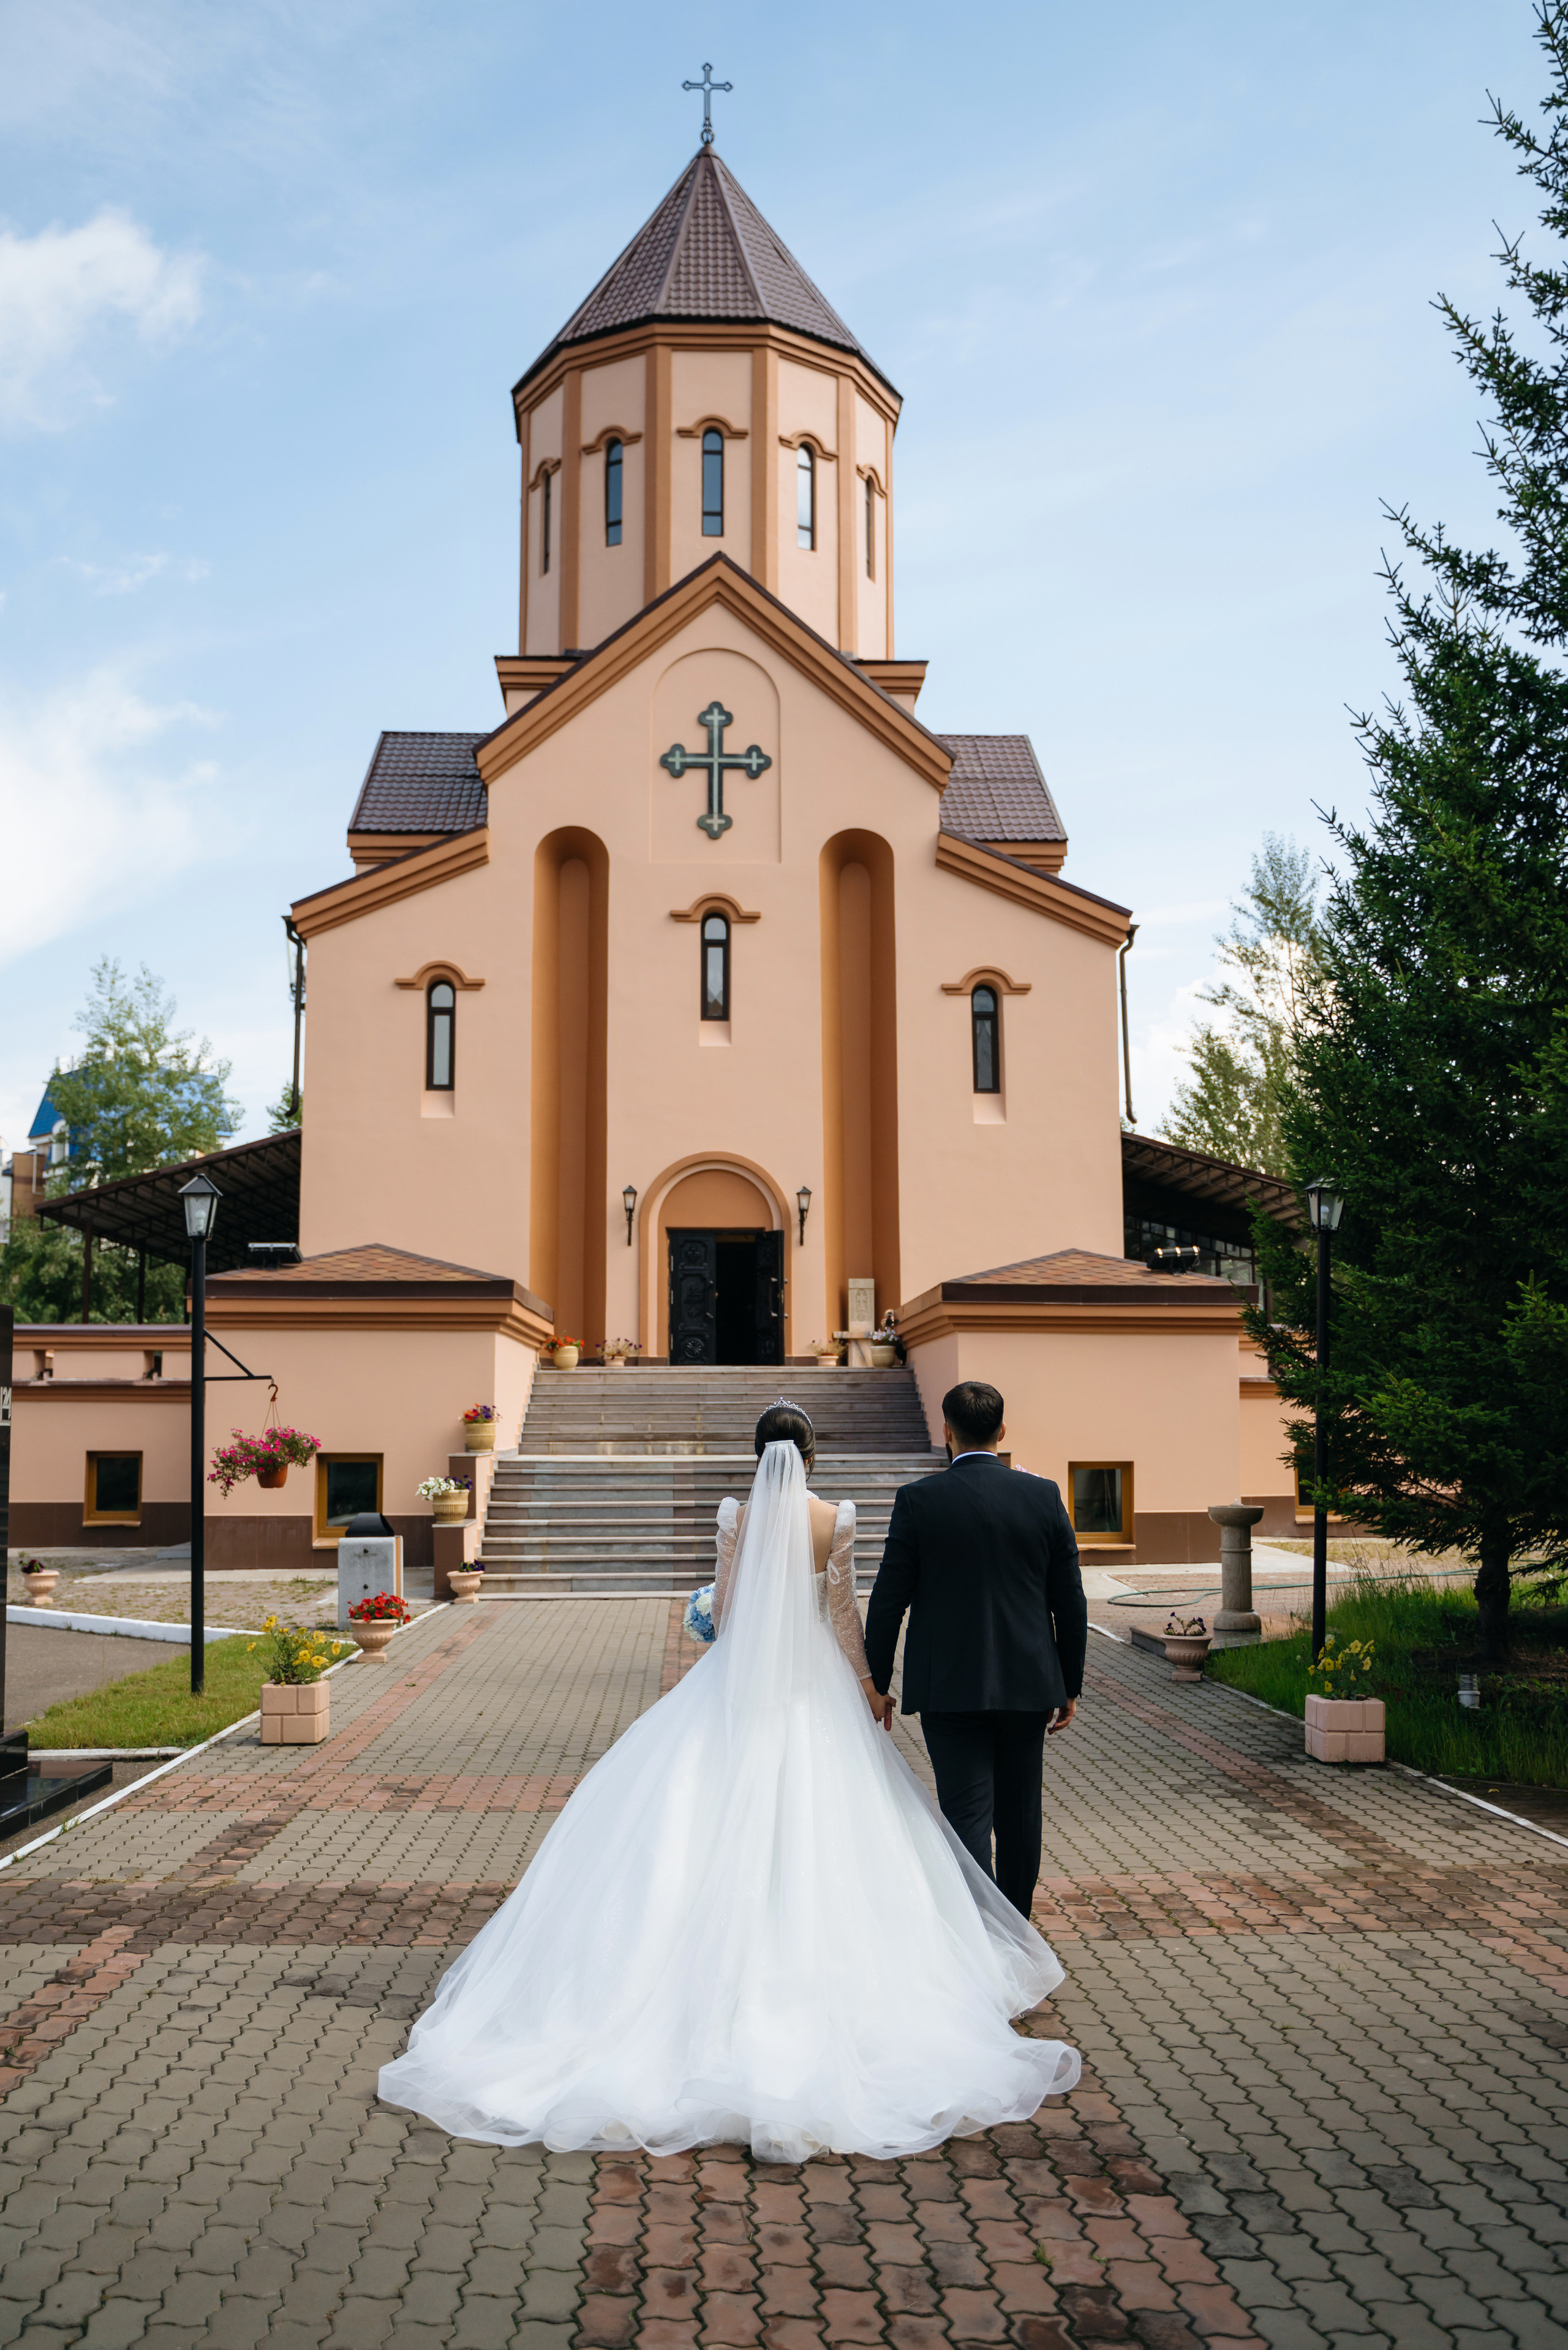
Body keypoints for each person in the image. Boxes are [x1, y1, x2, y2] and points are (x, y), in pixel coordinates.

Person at [379, 1401, 1079, 2161]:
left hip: (738, 1689)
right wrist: (867, 1685)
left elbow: (729, 1607)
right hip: (817, 1689)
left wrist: (717, 1628)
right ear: (810, 1459)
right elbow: (844, 1613)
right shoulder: (836, 1520)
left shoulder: (735, 1518)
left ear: (757, 1456)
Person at [864, 1380, 1087, 1919]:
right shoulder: (1043, 1496)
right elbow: (1070, 1600)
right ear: (1002, 1431)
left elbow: (888, 1600)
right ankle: (1017, 1930)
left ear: (947, 1431)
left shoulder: (918, 1500)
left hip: (949, 1687)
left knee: (966, 1816)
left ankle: (982, 1936)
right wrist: (1070, 1683)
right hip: (1028, 1684)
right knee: (1020, 1816)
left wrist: (876, 1683)